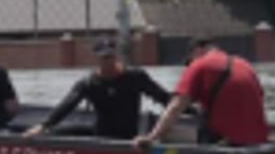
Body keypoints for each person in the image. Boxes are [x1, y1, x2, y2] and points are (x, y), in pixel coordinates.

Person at [24, 36, 172, 140]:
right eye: (104, 58)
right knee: (54, 133)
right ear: (96, 58)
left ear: (116, 56)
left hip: (129, 137)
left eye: (110, 57)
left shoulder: (135, 77)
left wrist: (187, 109)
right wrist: (44, 126)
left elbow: (162, 97)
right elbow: (68, 104)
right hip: (101, 136)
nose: (108, 62)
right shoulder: (89, 83)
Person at [134, 37, 269, 149]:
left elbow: (175, 107)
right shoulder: (244, 64)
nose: (189, 65)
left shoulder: (200, 65)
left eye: (189, 62)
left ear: (197, 51)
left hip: (227, 144)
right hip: (258, 141)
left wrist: (151, 137)